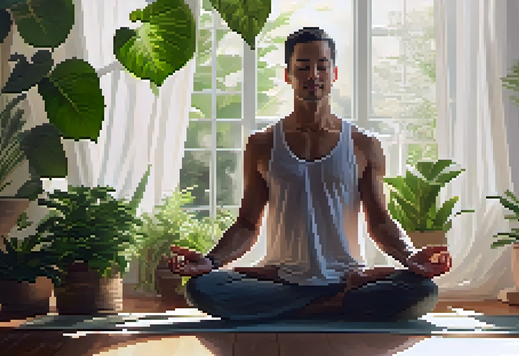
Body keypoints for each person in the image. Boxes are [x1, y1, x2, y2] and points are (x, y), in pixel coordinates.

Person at [167, 27, 452, 322]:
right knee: (203, 287)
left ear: (334, 74)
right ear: (288, 75)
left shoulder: (364, 144)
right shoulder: (262, 144)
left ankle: (303, 306)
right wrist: (211, 261)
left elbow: (379, 221)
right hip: (284, 281)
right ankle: (333, 305)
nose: (313, 75)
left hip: (347, 277)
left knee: (422, 290)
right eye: (302, 67)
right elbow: (247, 224)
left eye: (322, 66)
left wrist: (409, 255)